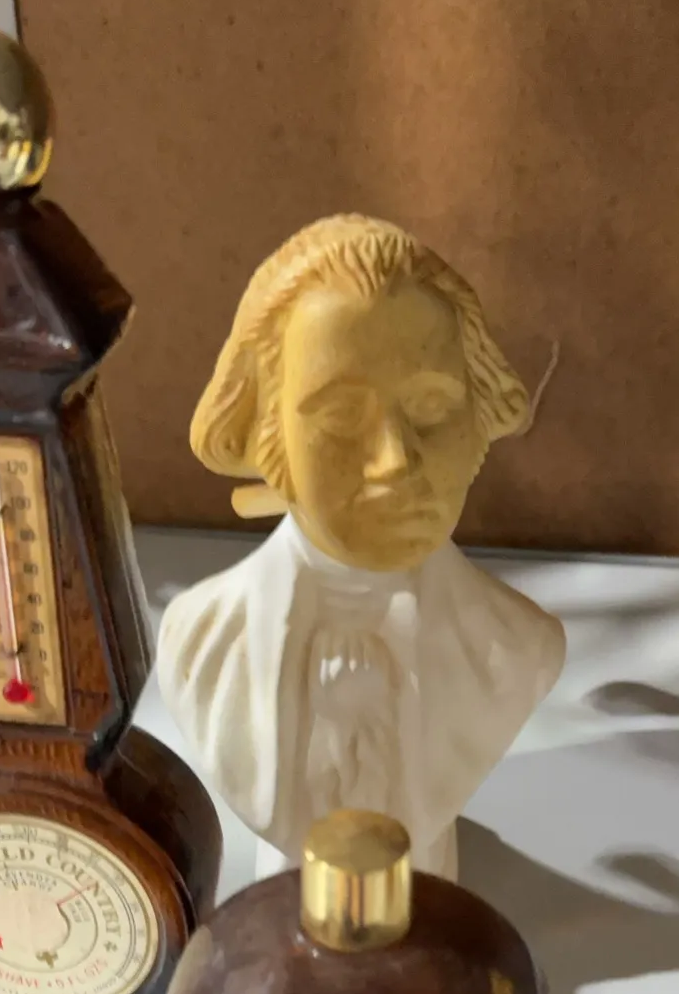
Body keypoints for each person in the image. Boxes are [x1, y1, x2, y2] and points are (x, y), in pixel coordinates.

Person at [156, 214, 565, 878]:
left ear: (477, 422)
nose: (394, 461)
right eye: (342, 416)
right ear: (269, 437)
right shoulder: (200, 640)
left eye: (431, 407)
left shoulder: (517, 648)